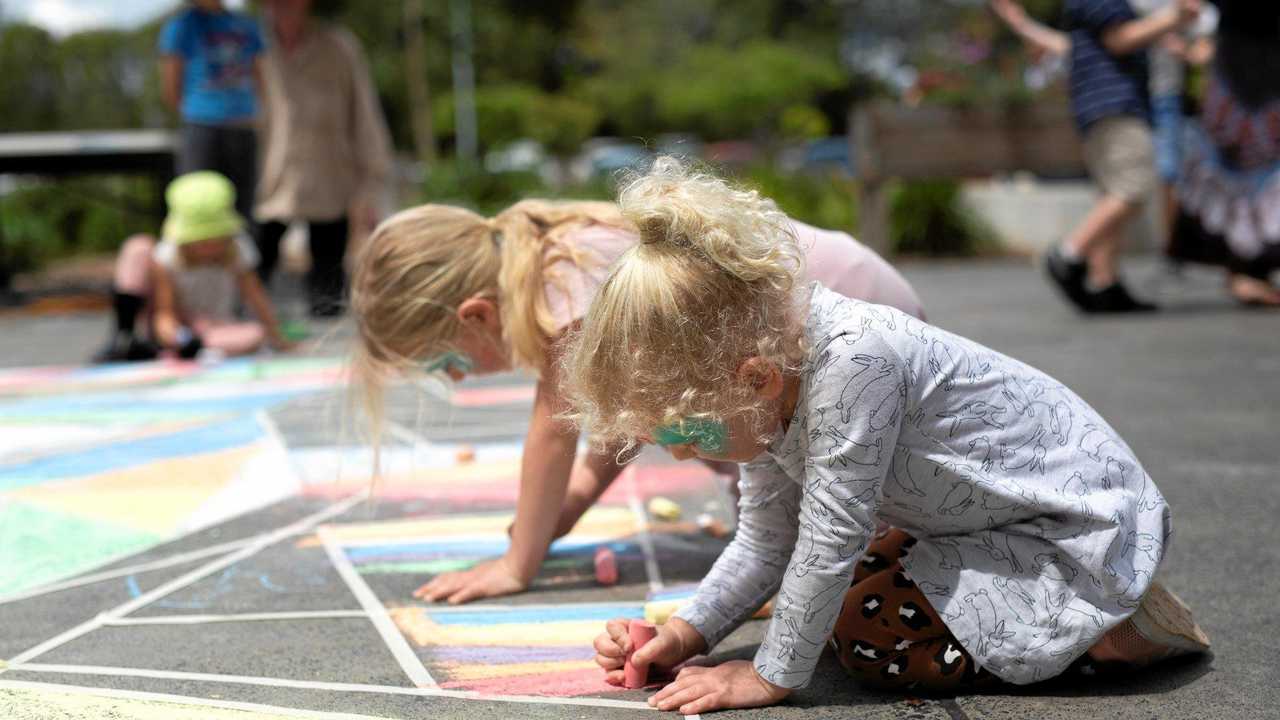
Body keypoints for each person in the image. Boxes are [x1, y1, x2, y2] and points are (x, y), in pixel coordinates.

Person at [567, 158, 1209, 715]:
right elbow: (769, 540)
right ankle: (1061, 614)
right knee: (825, 594)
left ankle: (1108, 632)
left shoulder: (853, 360)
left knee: (868, 635)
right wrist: (685, 634)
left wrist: (768, 675)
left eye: (687, 429)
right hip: (987, 525)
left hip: (1071, 531)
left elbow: (828, 538)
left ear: (754, 379)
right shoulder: (765, 386)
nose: (681, 450)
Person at [348, 198, 925, 605]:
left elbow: (554, 428)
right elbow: (618, 417)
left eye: (445, 365)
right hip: (852, 307)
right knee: (683, 412)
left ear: (475, 315)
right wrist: (567, 507)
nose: (456, 380)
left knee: (727, 430)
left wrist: (515, 565)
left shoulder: (562, 284)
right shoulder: (557, 255)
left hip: (853, 327)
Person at [1001, 0, 1203, 312]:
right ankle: (1067, 254)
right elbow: (1120, 39)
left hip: (1096, 107)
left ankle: (1106, 281)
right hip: (1117, 104)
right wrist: (1174, 18)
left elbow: (1069, 46)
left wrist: (1022, 25)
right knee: (1133, 187)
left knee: (1111, 191)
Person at [255, 0, 393, 317]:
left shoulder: (340, 47)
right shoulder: (251, 47)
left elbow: (364, 113)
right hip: (268, 177)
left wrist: (372, 178)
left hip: (329, 174)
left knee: (328, 295)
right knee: (255, 272)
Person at [93, 172, 293, 363]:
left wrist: (277, 337)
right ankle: (125, 338)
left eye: (216, 239)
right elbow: (165, 312)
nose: (209, 247)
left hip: (212, 328)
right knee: (137, 247)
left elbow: (256, 296)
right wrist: (179, 338)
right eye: (201, 240)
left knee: (254, 335)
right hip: (175, 329)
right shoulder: (169, 256)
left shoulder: (237, 250)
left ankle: (188, 350)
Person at [1169, 0, 1280, 306]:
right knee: (1236, 176)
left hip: (1246, 67)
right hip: (1246, 71)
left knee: (1245, 179)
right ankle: (1246, 272)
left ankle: (1249, 272)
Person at [158, 0, 266, 226]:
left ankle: (242, 258)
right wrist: (199, 112)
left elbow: (260, 78)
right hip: (201, 126)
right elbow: (170, 86)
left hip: (243, 126)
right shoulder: (181, 26)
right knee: (195, 202)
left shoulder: (246, 24)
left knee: (243, 207)